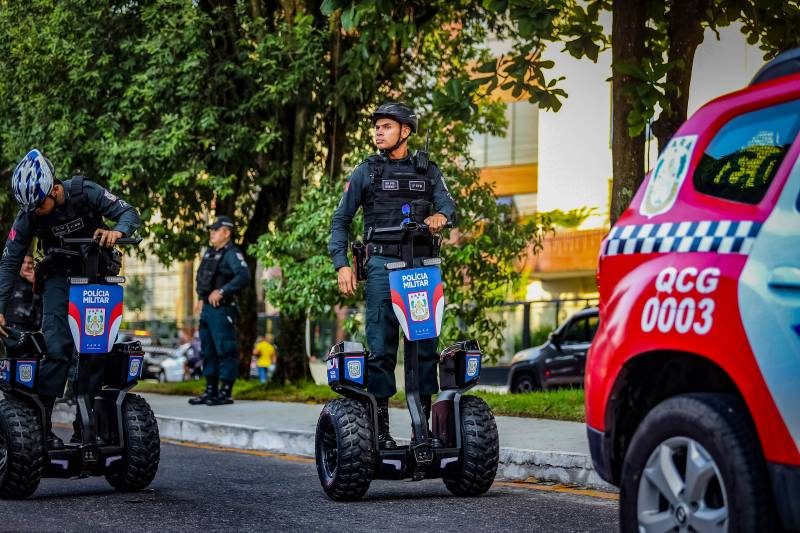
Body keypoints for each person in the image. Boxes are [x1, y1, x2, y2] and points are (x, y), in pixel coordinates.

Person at [328, 102, 457, 449]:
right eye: (377, 127)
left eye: (387, 126)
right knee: (382, 351)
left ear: (406, 131)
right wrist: (342, 263)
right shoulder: (366, 172)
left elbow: (449, 206)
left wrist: (440, 217)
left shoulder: (427, 169)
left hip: (421, 268)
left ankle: (423, 431)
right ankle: (380, 432)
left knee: (424, 348)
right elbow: (340, 220)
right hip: (383, 267)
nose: (378, 132)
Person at [0, 149, 141, 448]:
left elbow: (130, 212)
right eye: (28, 207)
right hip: (59, 278)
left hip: (97, 275)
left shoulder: (85, 192)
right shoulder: (28, 213)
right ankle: (41, 430)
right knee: (57, 348)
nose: (34, 211)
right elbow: (10, 261)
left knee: (94, 350)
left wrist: (118, 231)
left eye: (39, 205)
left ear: (54, 188)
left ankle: (87, 428)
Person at [189, 216, 251, 406]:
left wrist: (222, 292)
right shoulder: (209, 252)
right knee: (207, 350)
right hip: (207, 309)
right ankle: (210, 391)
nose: (212, 233)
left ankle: (225, 393)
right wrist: (201, 299)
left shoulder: (232, 253)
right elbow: (203, 278)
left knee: (225, 349)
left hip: (222, 309)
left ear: (226, 232)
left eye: (216, 230)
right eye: (211, 230)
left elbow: (244, 275)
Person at [4, 253, 42, 331]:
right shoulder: (10, 280)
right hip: (11, 327)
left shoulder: (40, 281)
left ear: (33, 264)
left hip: (33, 329)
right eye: (23, 262)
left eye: (30, 263)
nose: (26, 266)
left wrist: (36, 283)